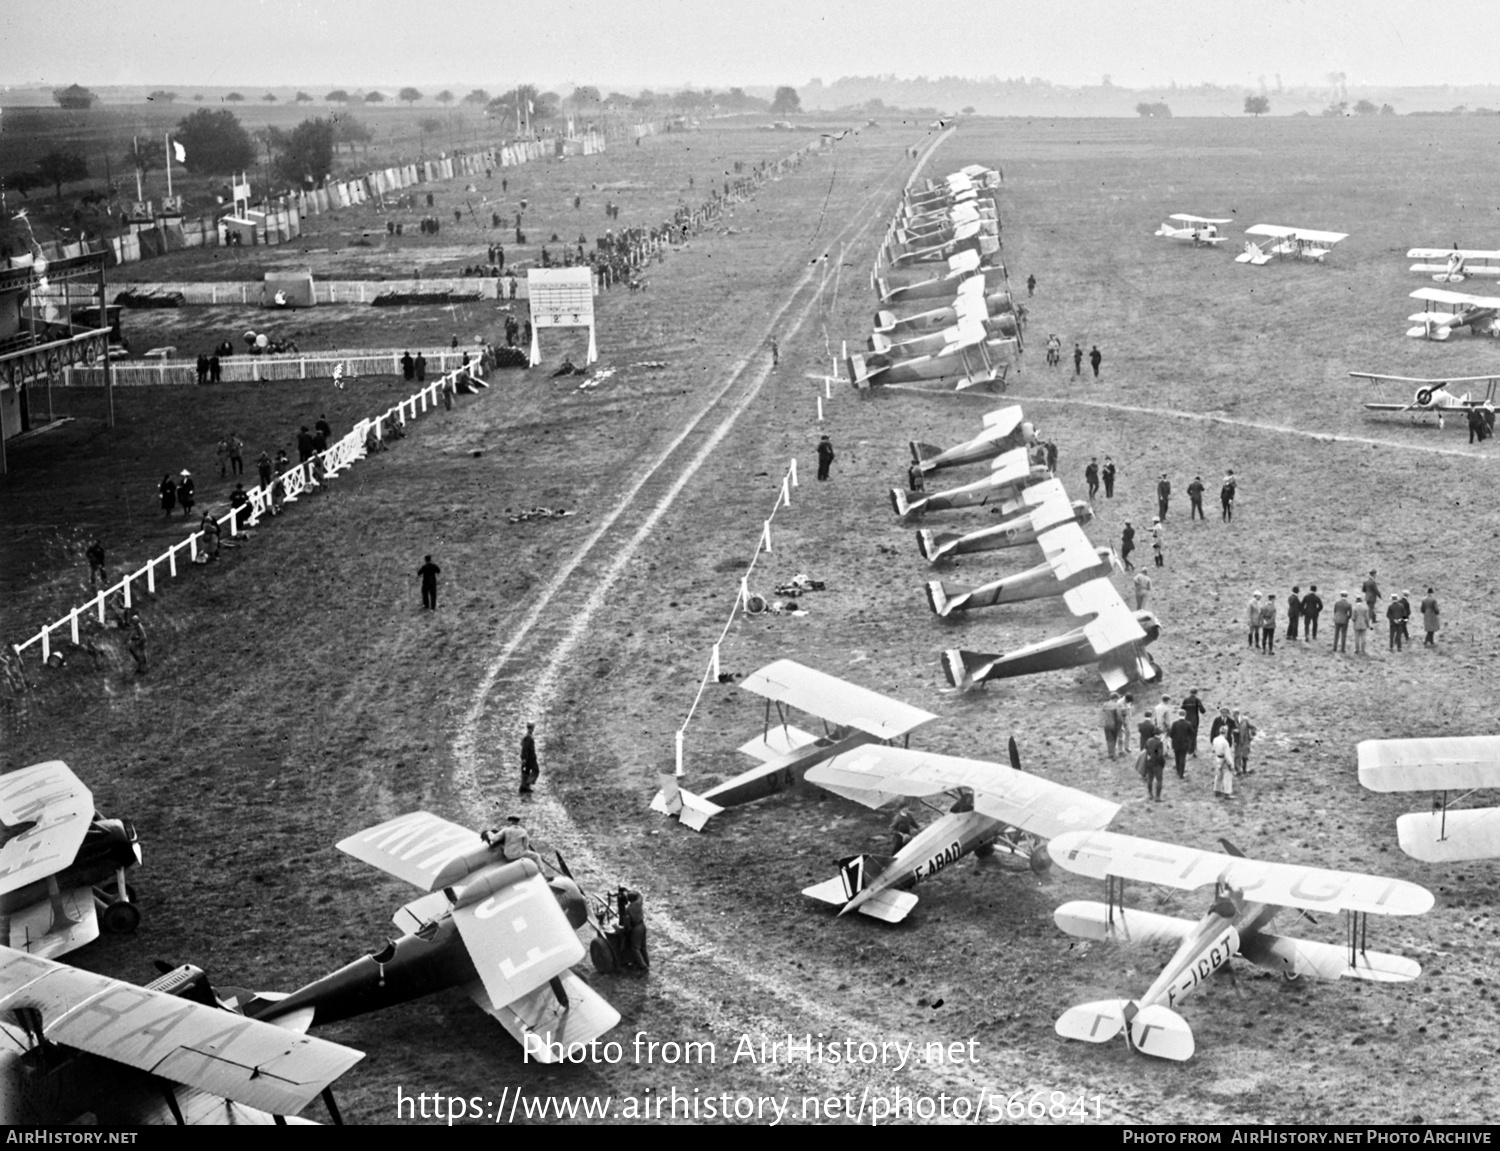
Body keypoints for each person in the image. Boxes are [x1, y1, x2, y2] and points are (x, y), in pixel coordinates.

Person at [619, 887, 648, 971]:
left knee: (635, 948)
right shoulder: (639, 903)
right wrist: (628, 891)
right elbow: (639, 895)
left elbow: (627, 924)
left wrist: (626, 930)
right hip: (642, 925)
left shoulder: (629, 909)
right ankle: (646, 962)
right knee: (643, 946)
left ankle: (643, 966)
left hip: (636, 929)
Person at [1168, 709, 1194, 778]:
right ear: (1185, 715)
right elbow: (1192, 733)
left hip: (1176, 743)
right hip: (1185, 743)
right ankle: (1181, 774)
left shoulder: (1174, 723)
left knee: (1177, 757)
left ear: (1178, 715)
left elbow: (1170, 734)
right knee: (1183, 757)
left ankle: (1178, 770)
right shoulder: (1188, 724)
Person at [1142, 729, 1166, 801]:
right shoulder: (1159, 743)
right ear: (1159, 735)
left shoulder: (1148, 741)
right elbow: (1160, 755)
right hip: (1157, 764)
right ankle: (1157, 797)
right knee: (1159, 780)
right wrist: (1162, 763)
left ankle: (1150, 795)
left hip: (1149, 763)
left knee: (1150, 779)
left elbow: (1145, 750)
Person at [1182, 689, 1207, 757]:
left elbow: (1182, 709)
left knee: (1187, 735)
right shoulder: (1197, 700)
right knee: (1193, 735)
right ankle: (1193, 751)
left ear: (1190, 692)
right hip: (1194, 721)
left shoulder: (1185, 700)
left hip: (1186, 720)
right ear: (1196, 693)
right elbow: (1203, 711)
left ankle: (1188, 750)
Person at [1212, 730, 1235, 799]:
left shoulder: (1215, 739)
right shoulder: (1225, 742)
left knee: (1218, 775)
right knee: (1227, 776)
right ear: (1226, 733)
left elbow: (1213, 749)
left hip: (1217, 758)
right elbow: (1227, 755)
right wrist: (1231, 764)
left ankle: (1217, 790)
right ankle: (1227, 793)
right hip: (1224, 759)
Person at [1101, 692, 1125, 759]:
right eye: (1117, 698)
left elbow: (1102, 714)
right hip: (1114, 725)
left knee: (1109, 739)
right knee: (1113, 739)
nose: (1118, 699)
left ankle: (1110, 754)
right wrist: (1120, 725)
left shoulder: (1105, 705)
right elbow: (1119, 717)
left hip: (1106, 724)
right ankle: (1113, 754)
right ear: (1115, 698)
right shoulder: (1117, 705)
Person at [1233, 711, 1257, 776]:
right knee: (1237, 755)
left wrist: (1252, 734)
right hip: (1237, 740)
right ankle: (1238, 771)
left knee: (1245, 755)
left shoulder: (1245, 720)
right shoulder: (1232, 721)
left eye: (1235, 715)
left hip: (1246, 739)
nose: (1234, 716)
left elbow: (1253, 727)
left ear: (1238, 714)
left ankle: (1244, 769)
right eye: (1233, 715)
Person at [520, 722, 540, 793]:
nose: (532, 729)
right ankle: (526, 784)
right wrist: (524, 758)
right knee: (535, 770)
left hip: (529, 757)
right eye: (531, 728)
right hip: (530, 758)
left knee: (526, 771)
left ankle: (524, 786)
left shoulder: (527, 736)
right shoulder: (528, 737)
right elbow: (524, 749)